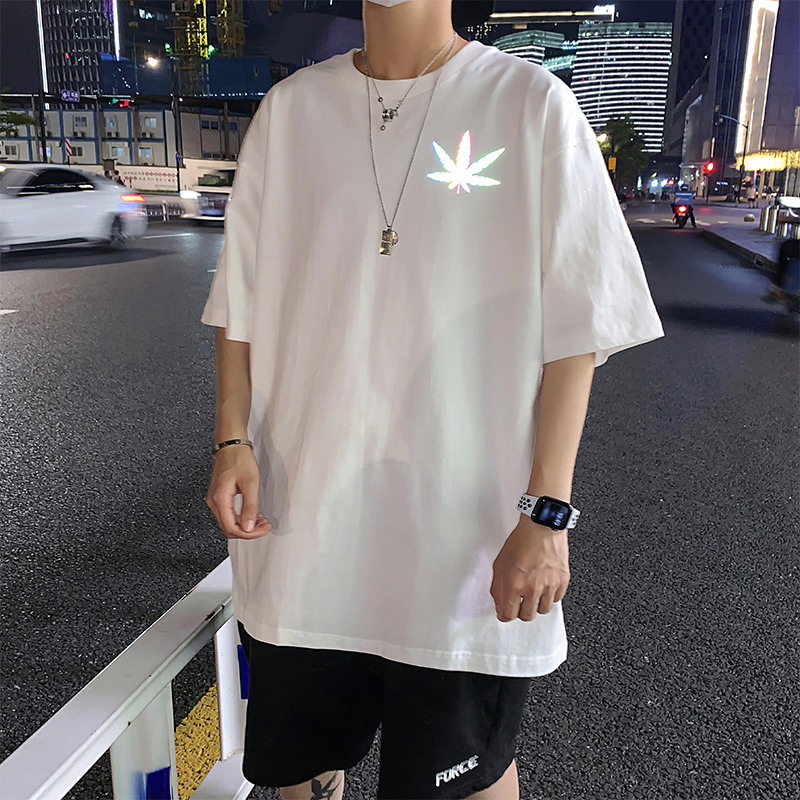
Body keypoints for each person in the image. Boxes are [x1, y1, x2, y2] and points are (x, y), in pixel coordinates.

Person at [200, 2, 665, 798]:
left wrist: (548, 512)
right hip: (305, 528)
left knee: (467, 776)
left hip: (463, 542)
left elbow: (578, 326)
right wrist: (231, 439)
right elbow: (239, 299)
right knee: (302, 766)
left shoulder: (529, 104)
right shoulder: (291, 111)